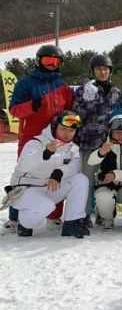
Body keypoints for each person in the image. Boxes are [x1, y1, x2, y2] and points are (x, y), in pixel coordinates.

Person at [5, 44, 74, 234]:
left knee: (56, 170)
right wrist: (31, 106)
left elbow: (69, 111)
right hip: (31, 136)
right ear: (38, 61)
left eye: (55, 61)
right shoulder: (26, 83)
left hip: (55, 136)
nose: (51, 65)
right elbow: (14, 109)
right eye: (47, 61)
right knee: (24, 174)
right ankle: (15, 216)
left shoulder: (63, 87)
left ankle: (53, 217)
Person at [6, 111, 89, 238]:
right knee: (47, 206)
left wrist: (59, 172)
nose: (67, 134)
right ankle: (24, 223)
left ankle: (72, 222)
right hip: (25, 190)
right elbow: (24, 165)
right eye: (63, 129)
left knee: (80, 179)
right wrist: (44, 154)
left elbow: (75, 165)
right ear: (55, 127)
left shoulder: (72, 148)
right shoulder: (36, 143)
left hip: (49, 189)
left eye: (71, 131)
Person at [73, 54, 122, 225]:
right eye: (98, 69)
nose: (102, 72)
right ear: (93, 71)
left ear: (110, 71)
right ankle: (83, 214)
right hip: (90, 140)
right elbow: (78, 117)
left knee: (105, 178)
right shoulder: (83, 90)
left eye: (105, 69)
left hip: (110, 143)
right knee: (86, 179)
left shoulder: (116, 91)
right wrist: (86, 101)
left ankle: (103, 211)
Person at [88, 115, 122, 233]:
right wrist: (101, 153)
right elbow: (91, 161)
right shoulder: (105, 148)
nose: (121, 135)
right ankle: (107, 219)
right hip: (108, 186)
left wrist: (116, 174)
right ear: (110, 133)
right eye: (117, 132)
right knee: (103, 196)